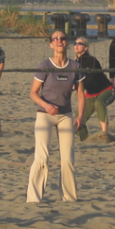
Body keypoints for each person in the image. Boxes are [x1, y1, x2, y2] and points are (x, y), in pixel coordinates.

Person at [28, 30, 86, 203]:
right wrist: (46, 105)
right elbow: (33, 93)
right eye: (56, 39)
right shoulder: (44, 65)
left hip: (65, 115)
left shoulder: (75, 67)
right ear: (51, 44)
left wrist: (80, 115)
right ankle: (34, 198)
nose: (59, 41)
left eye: (63, 38)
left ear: (67, 43)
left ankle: (69, 197)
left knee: (67, 159)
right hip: (45, 115)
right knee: (42, 157)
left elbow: (81, 94)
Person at [74, 36, 114, 141]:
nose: (76, 45)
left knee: (99, 103)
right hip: (91, 94)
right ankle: (85, 138)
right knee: (78, 118)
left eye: (80, 44)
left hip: (106, 90)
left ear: (86, 48)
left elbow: (91, 79)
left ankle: (105, 132)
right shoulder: (74, 63)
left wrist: (77, 85)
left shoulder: (91, 60)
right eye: (75, 43)